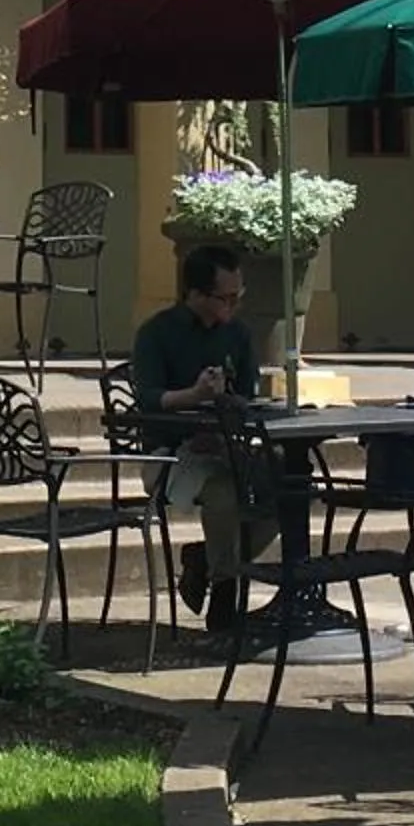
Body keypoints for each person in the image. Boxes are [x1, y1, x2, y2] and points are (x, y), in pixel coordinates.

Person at [129, 241, 274, 630]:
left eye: (237, 296)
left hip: (227, 443)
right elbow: (145, 400)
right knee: (224, 492)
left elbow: (248, 395)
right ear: (194, 294)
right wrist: (193, 397)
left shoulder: (238, 335)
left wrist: (231, 401)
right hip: (171, 452)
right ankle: (225, 594)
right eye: (224, 298)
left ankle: (204, 559)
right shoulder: (157, 334)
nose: (232, 305)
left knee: (289, 488)